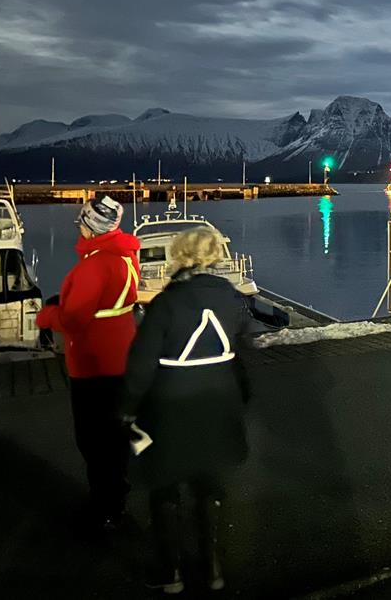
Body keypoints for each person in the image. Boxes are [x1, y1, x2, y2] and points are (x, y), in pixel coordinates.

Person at [122, 227, 254, 594]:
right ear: (214, 256)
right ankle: (212, 568)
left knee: (164, 487)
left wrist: (127, 409)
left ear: (180, 255)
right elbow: (243, 352)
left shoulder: (166, 303)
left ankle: (171, 572)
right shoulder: (232, 298)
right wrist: (242, 396)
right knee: (210, 485)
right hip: (219, 401)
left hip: (170, 406)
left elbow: (141, 364)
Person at [35, 195, 139, 529]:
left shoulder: (95, 264)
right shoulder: (125, 256)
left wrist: (47, 316)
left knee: (94, 439)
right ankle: (117, 498)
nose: (78, 226)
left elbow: (75, 320)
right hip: (121, 355)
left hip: (93, 363)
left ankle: (103, 508)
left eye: (82, 221)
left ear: (91, 225)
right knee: (116, 435)